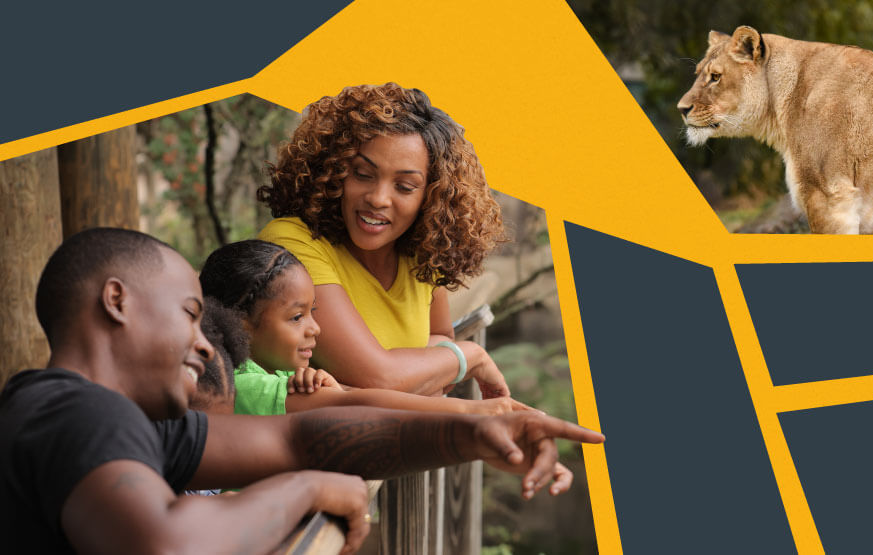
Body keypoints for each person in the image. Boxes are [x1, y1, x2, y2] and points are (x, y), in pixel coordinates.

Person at [0, 228, 604, 554]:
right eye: (188, 313)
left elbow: (298, 434)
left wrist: (471, 431)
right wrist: (307, 487)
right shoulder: (72, 408)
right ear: (116, 301)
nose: (207, 343)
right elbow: (164, 543)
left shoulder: (134, 427)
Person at [198, 239, 574, 493]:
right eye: (296, 317)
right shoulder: (241, 389)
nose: (315, 328)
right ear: (241, 324)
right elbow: (354, 405)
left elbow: (343, 397)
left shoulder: (271, 375)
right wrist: (477, 413)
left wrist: (328, 385)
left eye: (313, 311)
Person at [258, 83, 507, 397]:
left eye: (404, 186)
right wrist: (471, 356)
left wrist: (422, 369)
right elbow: (381, 379)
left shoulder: (419, 253)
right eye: (363, 174)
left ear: (431, 197)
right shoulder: (294, 244)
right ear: (335, 171)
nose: (378, 199)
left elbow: (441, 344)